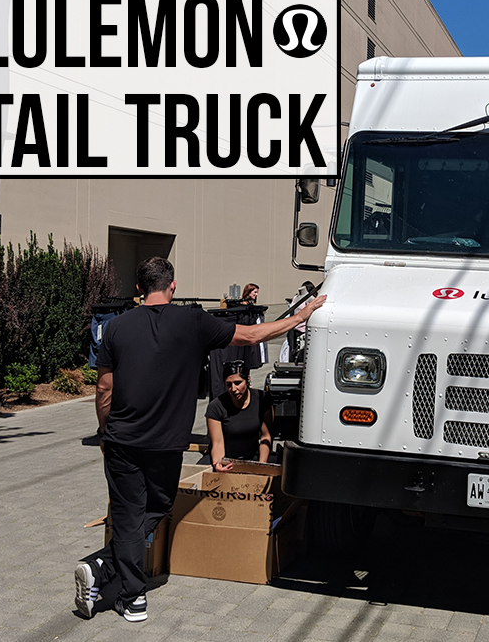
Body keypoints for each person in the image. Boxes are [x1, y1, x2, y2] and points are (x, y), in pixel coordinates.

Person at [74, 257, 325, 623]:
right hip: (166, 443)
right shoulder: (193, 321)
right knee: (157, 508)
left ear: (140, 289)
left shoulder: (116, 328)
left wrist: (103, 430)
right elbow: (254, 335)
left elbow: (104, 388)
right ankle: (129, 593)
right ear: (172, 286)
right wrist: (302, 315)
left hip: (121, 440)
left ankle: (102, 569)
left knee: (130, 515)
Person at [205, 360, 272, 468]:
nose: (233, 389)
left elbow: (266, 436)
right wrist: (219, 463)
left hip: (253, 457)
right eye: (228, 384)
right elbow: (217, 442)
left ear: (247, 379)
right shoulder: (216, 407)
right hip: (226, 457)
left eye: (238, 383)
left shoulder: (262, 399)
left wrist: (261, 464)